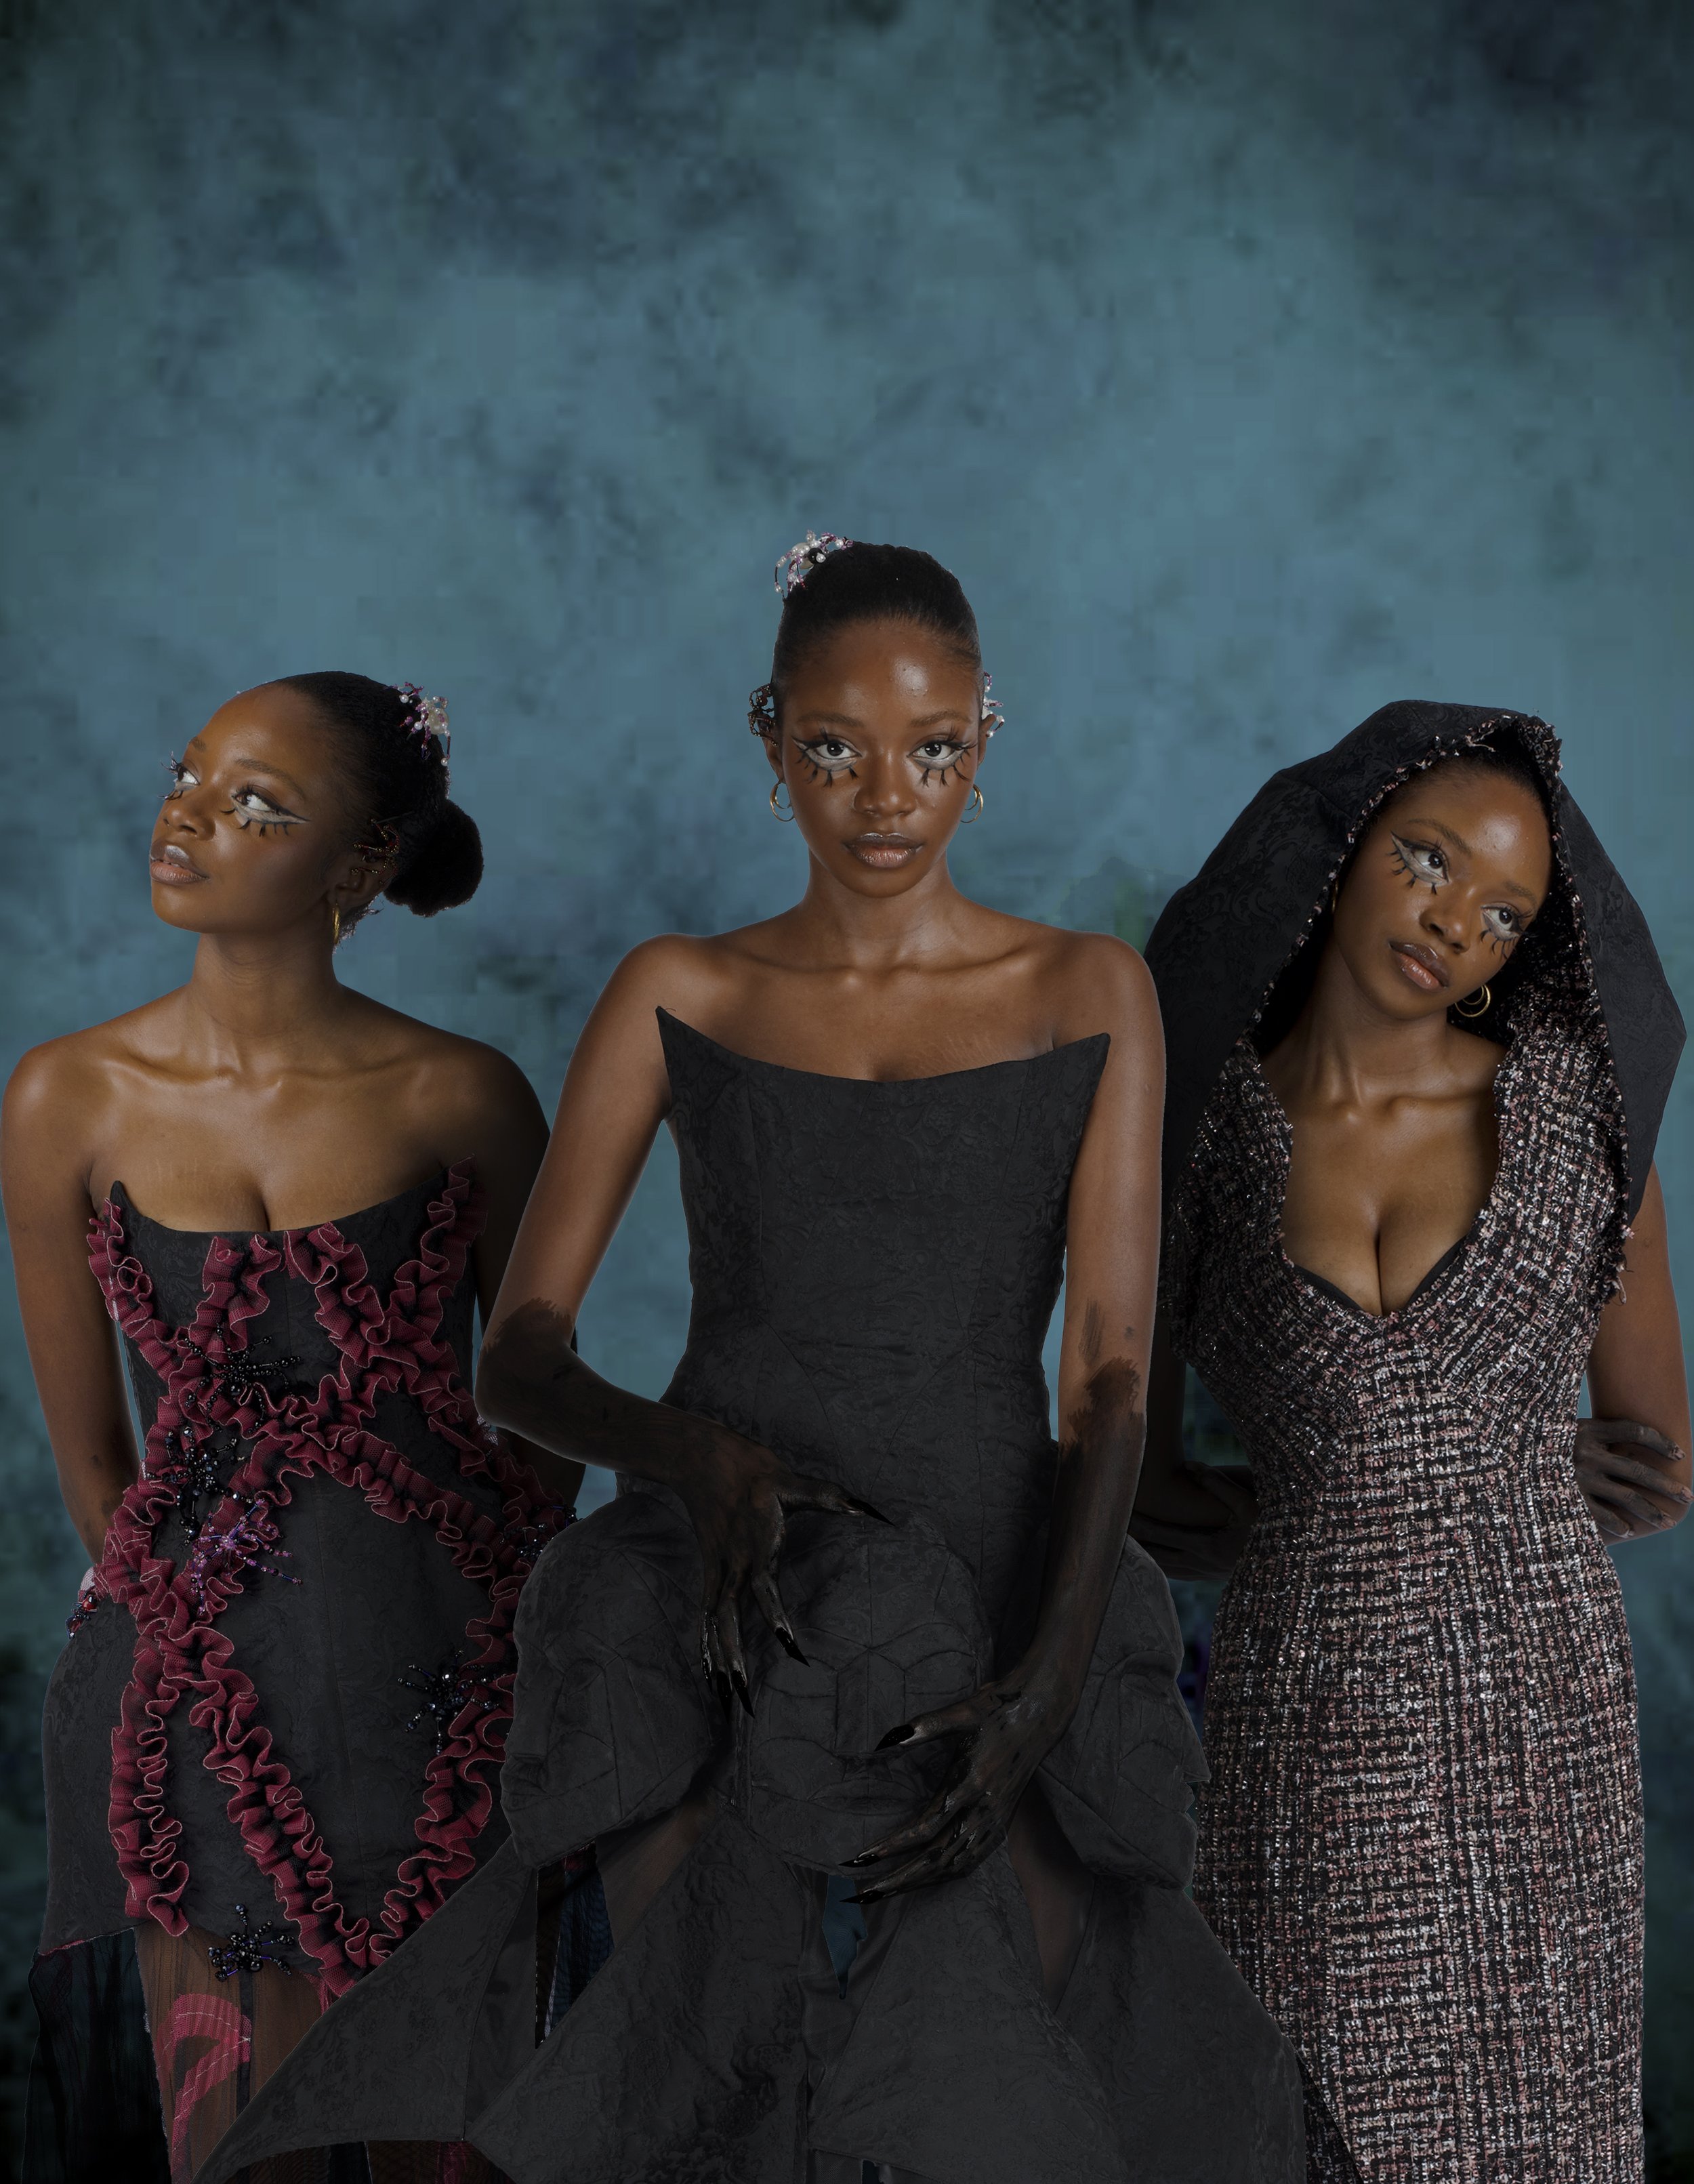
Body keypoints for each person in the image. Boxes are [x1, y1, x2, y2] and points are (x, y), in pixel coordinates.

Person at [198, 537, 1304, 2184]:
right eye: (834, 745)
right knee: (696, 2076)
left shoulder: (1087, 988)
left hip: (1007, 1569)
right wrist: (702, 1462)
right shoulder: (681, 985)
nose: (886, 795)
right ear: (766, 733)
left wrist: (1047, 1681)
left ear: (985, 738)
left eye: (933, 746)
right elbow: (521, 1353)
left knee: (1017, 2086)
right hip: (719, 1581)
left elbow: (1110, 1374)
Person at [4, 674, 580, 2184]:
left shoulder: (466, 1094)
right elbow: (97, 1468)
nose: (188, 815)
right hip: (193, 1714)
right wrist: (194, 1653)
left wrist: (482, 1646)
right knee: (234, 2146)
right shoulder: (65, 1097)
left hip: (446, 1699)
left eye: (256, 802)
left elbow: (544, 1427)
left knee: (452, 2141)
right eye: (189, 773)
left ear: (362, 861)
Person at [1132, 702, 1689, 2181]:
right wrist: (1341, 1501)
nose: (1454, 923)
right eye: (1429, 861)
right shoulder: (1193, 1132)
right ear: (1338, 850)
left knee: (1532, 2127)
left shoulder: (1576, 1105)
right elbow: (1134, 1478)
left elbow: (1660, 1462)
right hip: (1303, 1700)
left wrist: (1495, 1471)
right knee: (1300, 2110)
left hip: (1540, 1707)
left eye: (1503, 913)